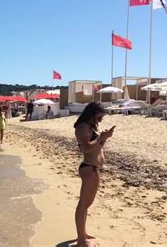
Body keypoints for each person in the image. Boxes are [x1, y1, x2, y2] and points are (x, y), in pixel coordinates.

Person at [74, 102, 114, 247]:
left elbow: (96, 147)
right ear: (91, 113)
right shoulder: (82, 126)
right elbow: (86, 148)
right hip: (89, 168)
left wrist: (104, 137)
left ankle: (83, 234)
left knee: (86, 204)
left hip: (93, 168)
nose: (100, 121)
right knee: (83, 204)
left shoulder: (89, 127)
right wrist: (101, 137)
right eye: (98, 117)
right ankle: (81, 240)